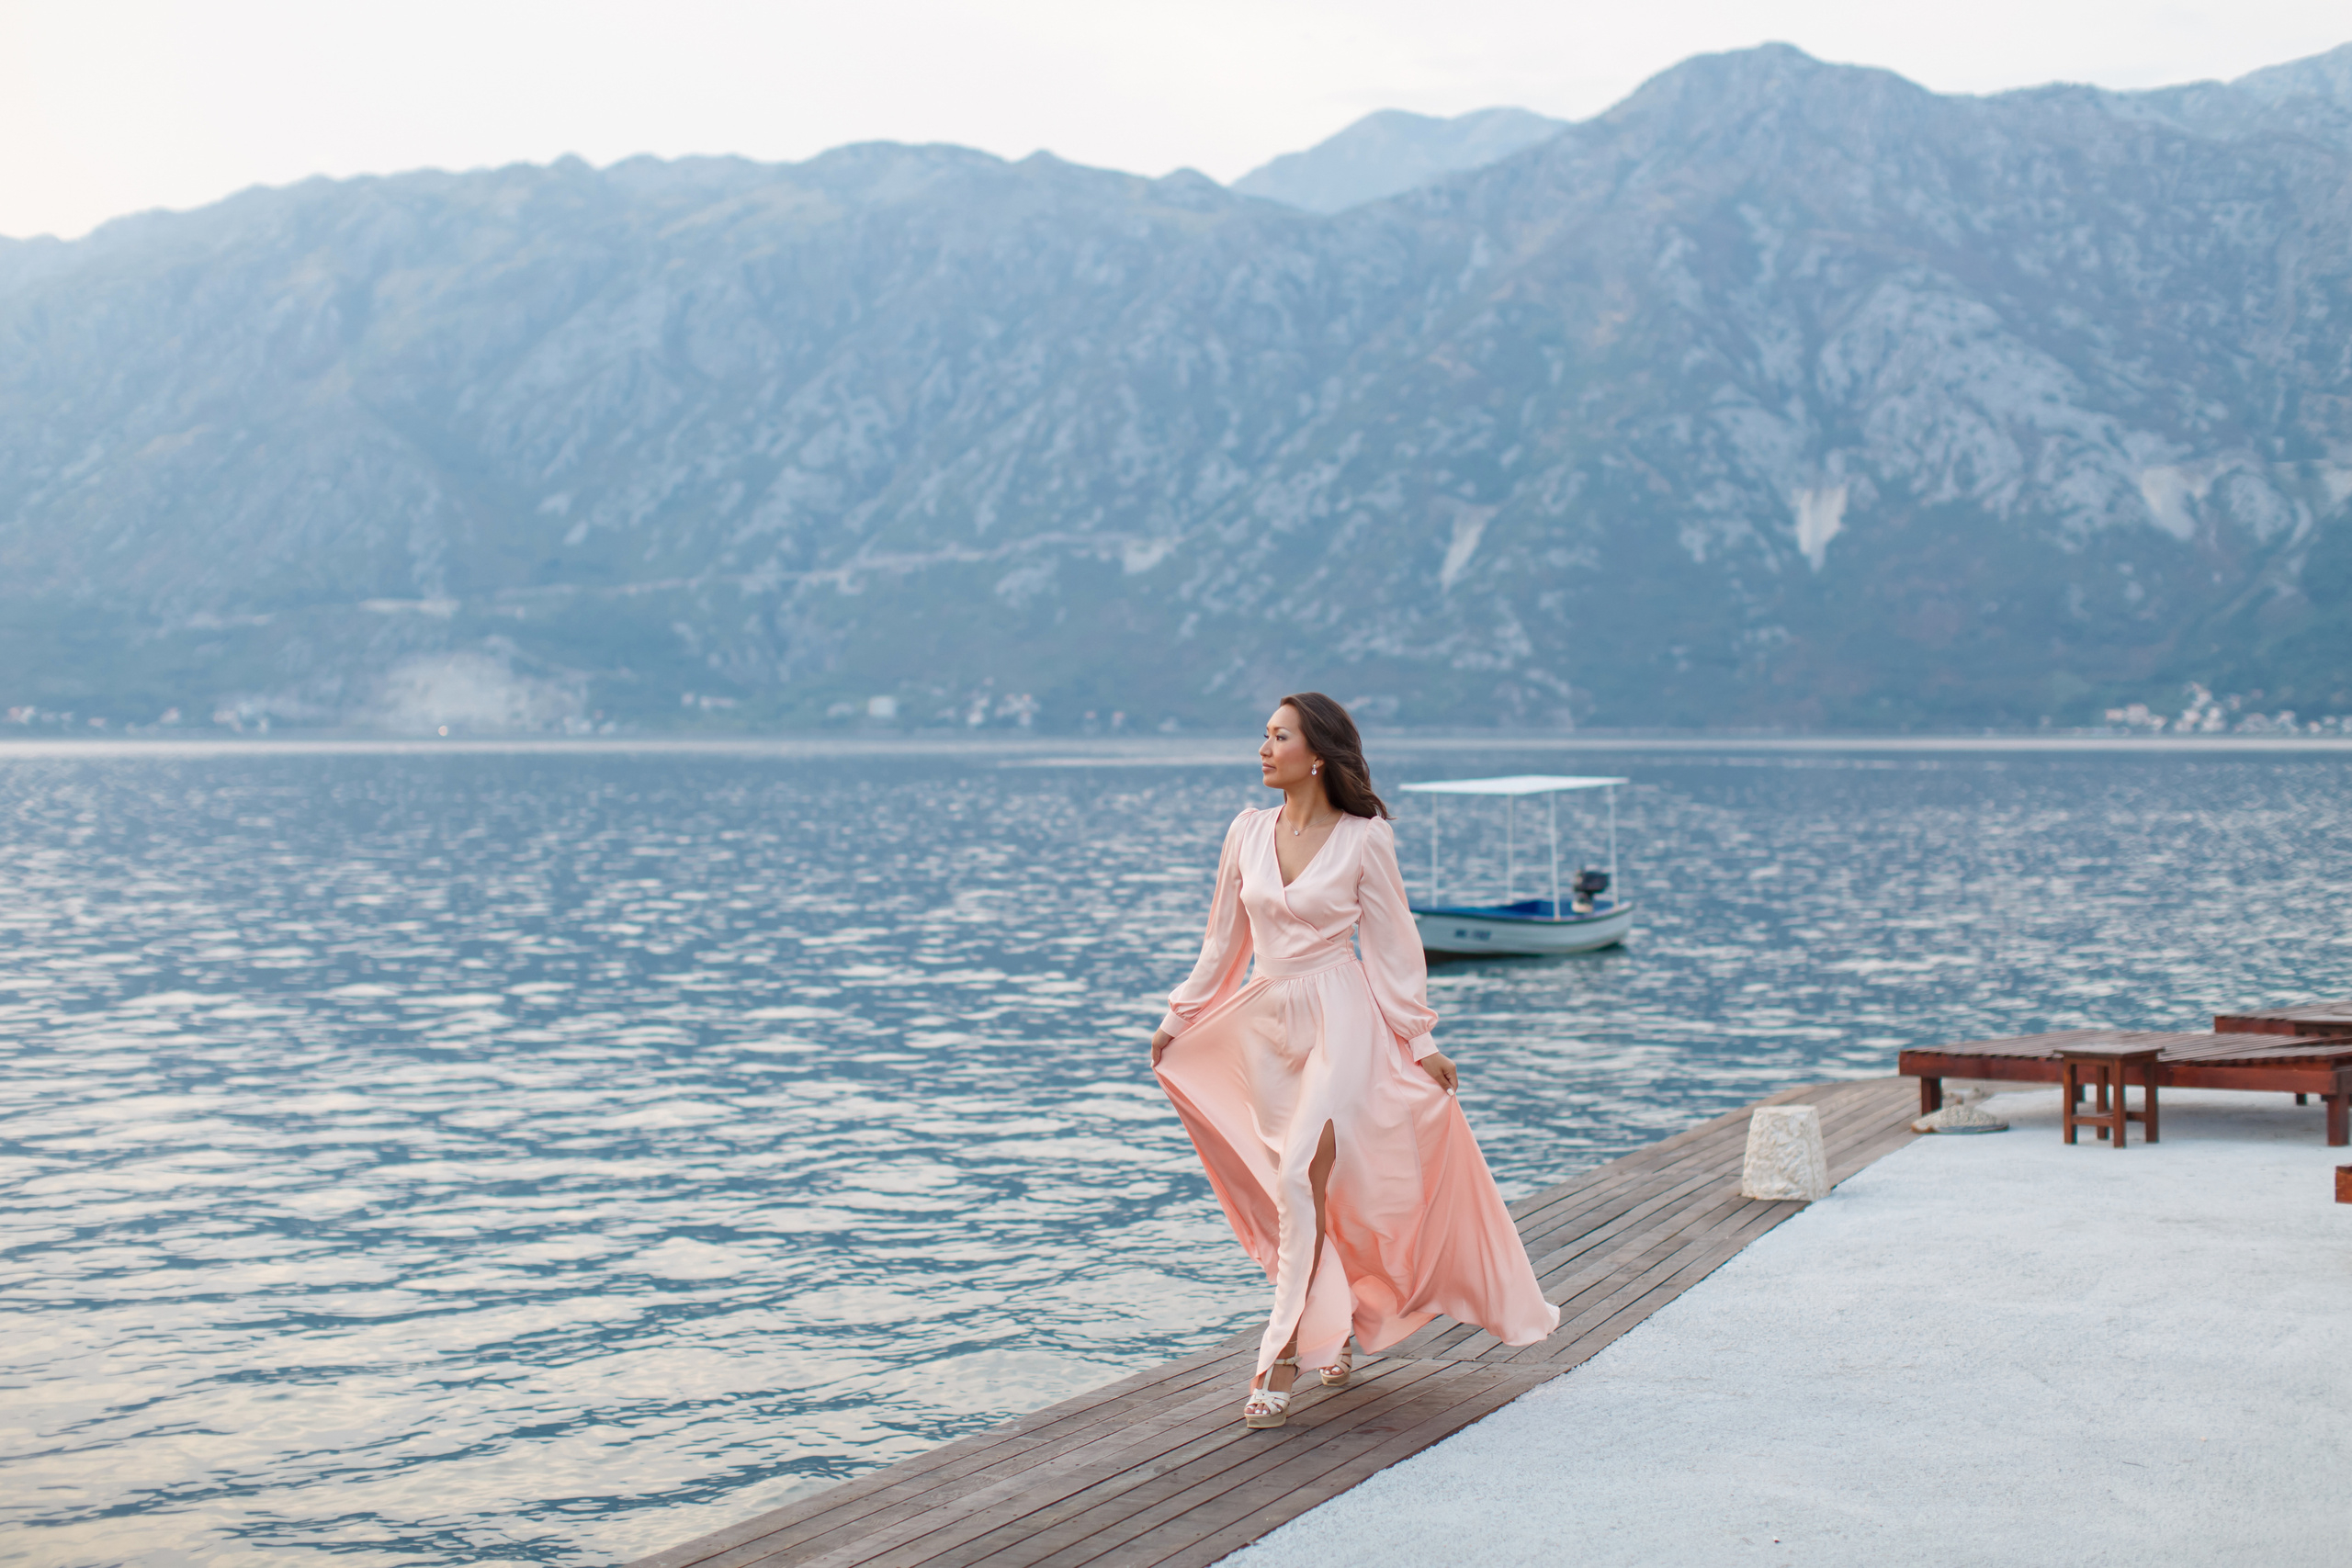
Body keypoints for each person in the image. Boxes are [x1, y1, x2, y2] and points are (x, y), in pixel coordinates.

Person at [1149, 693, 1559, 1428]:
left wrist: (1421, 1041)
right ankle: (1328, 1328)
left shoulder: (1365, 838)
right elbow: (1223, 944)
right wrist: (1181, 1015)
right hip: (1270, 1027)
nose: (1264, 748)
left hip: (1343, 1019)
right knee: (1303, 1191)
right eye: (1264, 735)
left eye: (1279, 736)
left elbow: (1395, 946)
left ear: (1318, 753)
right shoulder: (1245, 832)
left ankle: (1278, 1356)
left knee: (1298, 1172)